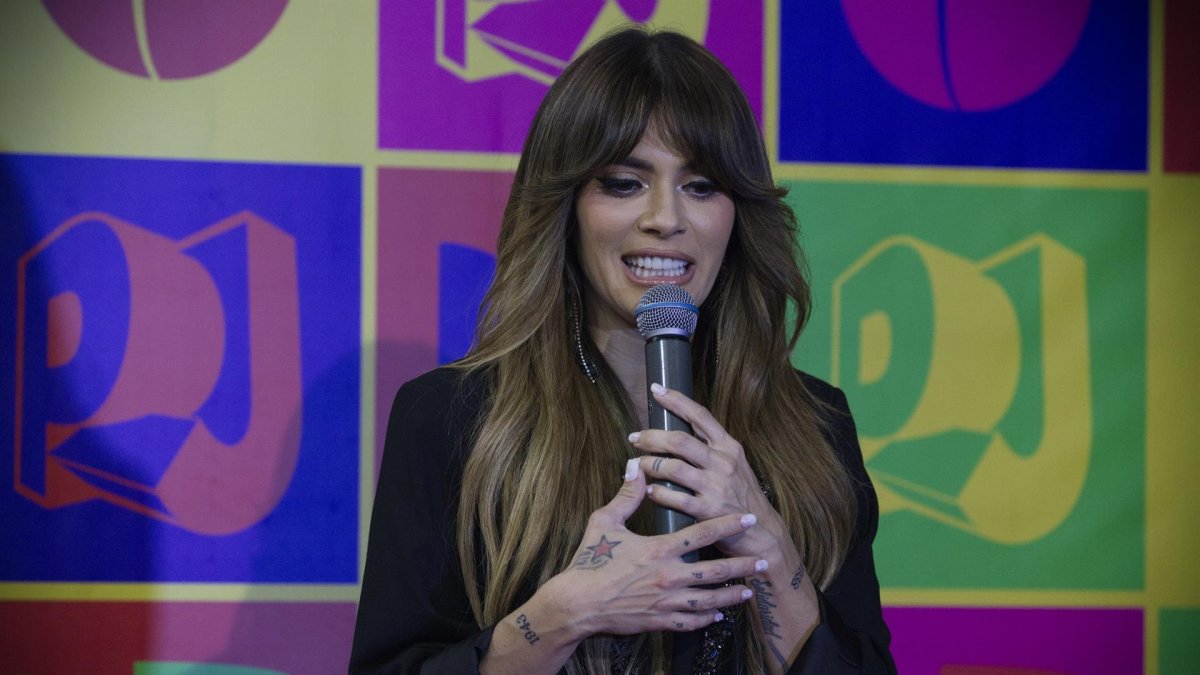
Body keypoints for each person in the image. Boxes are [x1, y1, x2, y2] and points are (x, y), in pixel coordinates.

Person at [351, 27, 895, 675]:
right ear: (568, 206)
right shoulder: (452, 416)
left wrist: (769, 545)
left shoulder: (815, 422)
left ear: (737, 214)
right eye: (624, 182)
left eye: (701, 186)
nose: (666, 217)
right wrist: (563, 615)